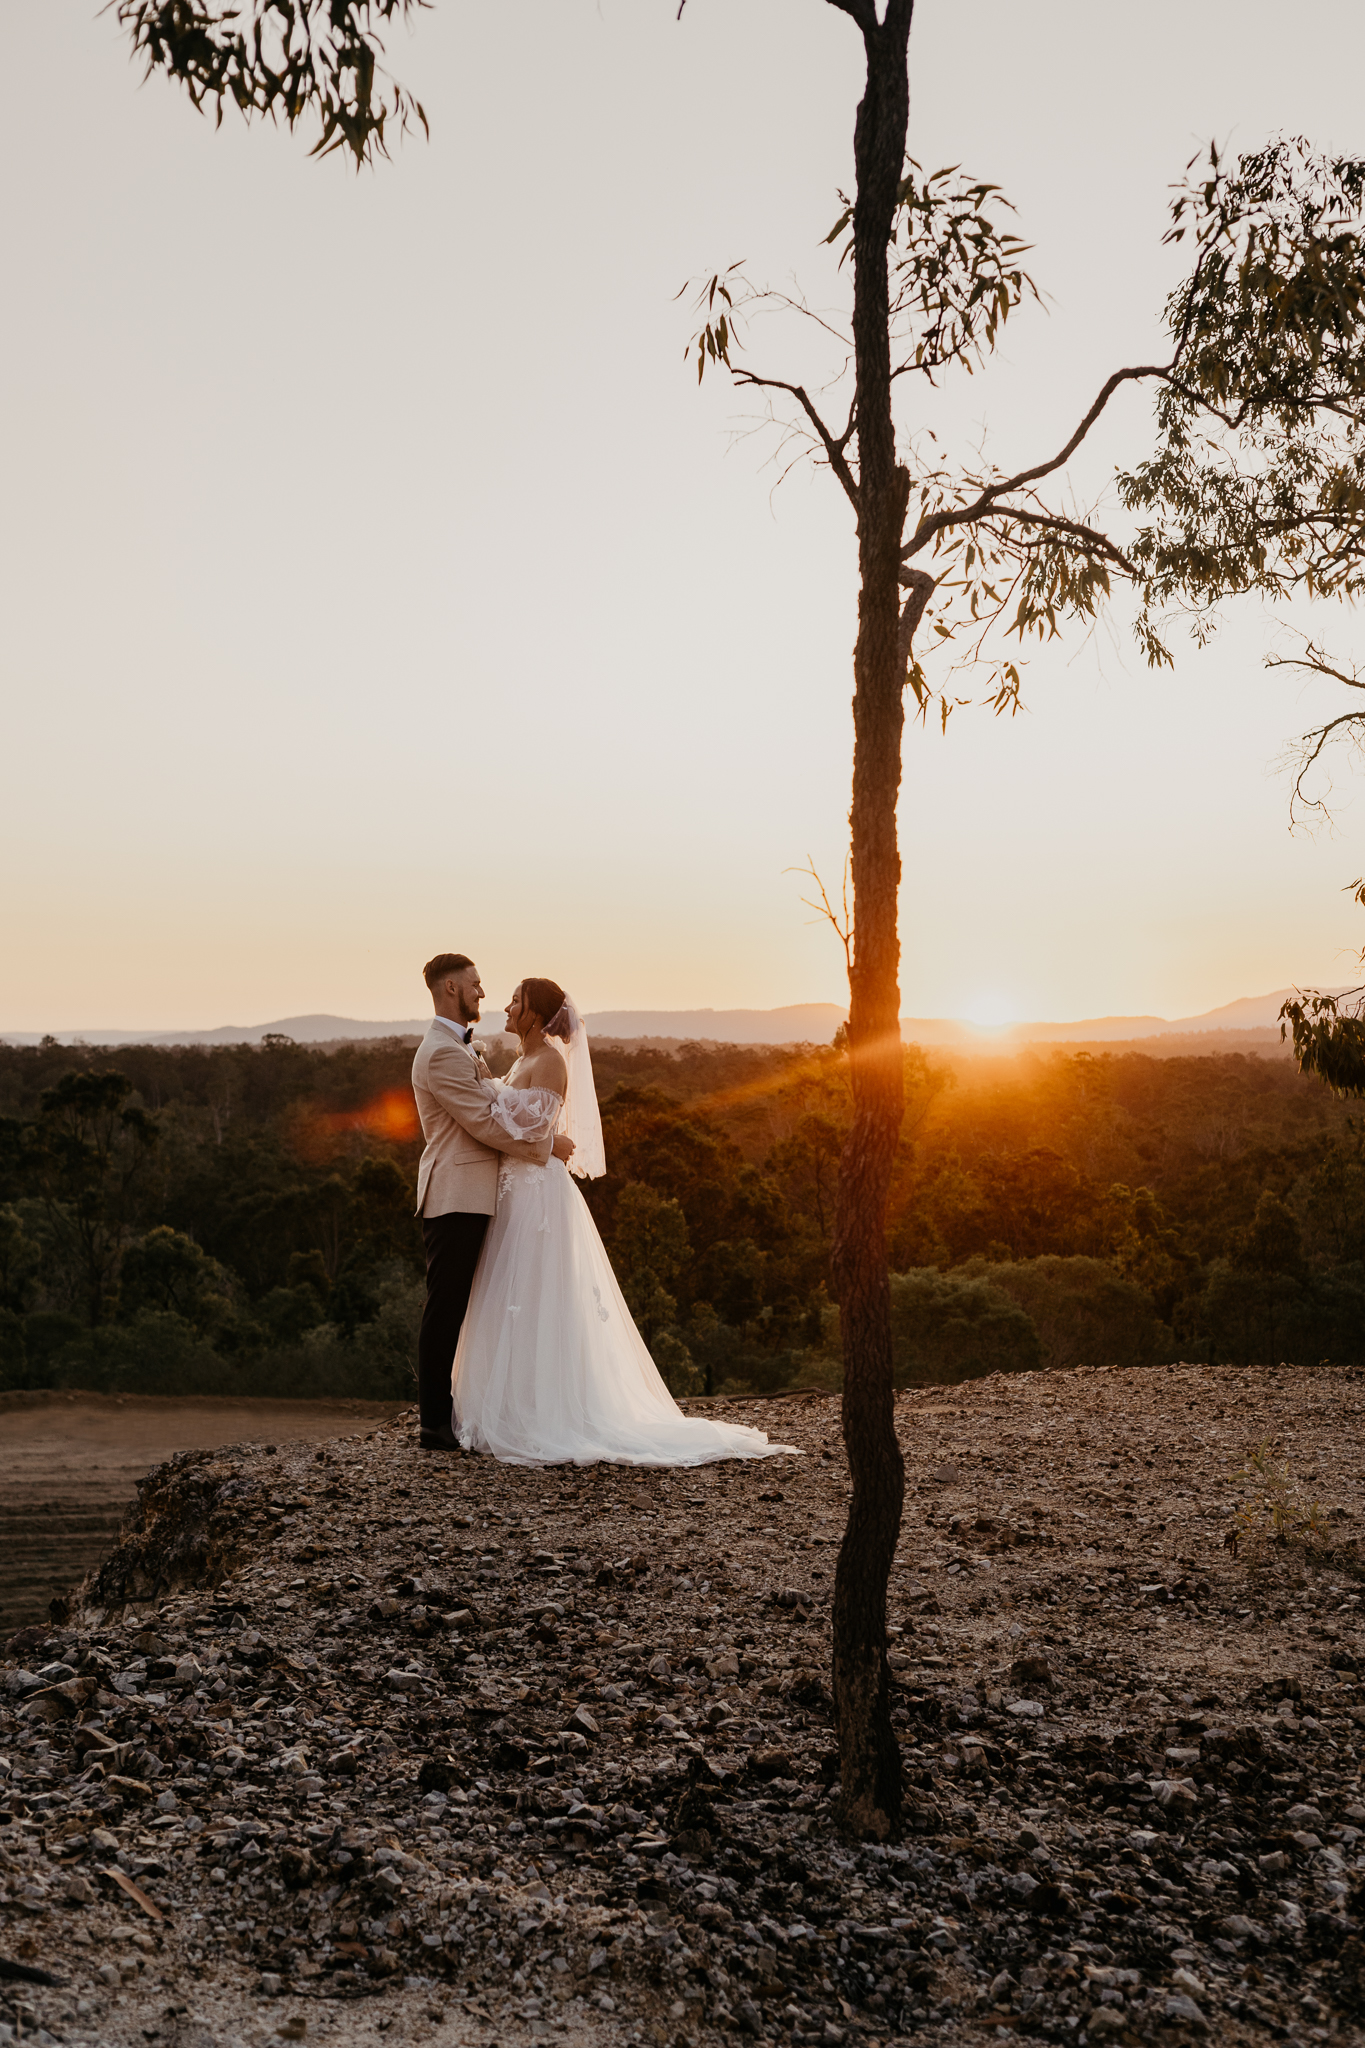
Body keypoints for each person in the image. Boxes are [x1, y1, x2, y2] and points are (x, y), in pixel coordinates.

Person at [450, 975, 798, 1468]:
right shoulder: (524, 1060)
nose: (505, 1007)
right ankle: (510, 1406)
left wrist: (491, 1098)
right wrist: (489, 1084)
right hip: (513, 1193)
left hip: (536, 1197)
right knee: (509, 1297)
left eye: (515, 1001)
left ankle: (540, 1414)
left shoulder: (549, 1062)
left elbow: (531, 1128)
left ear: (534, 1015)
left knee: (534, 1296)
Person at [411, 953, 576, 1454]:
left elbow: (494, 1105)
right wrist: (549, 1147)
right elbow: (483, 1122)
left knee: (478, 1305)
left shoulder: (462, 1048)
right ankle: (434, 1424)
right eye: (475, 985)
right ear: (449, 990)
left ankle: (473, 1411)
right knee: (447, 1308)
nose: (483, 994)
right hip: (457, 1193)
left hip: (485, 1193)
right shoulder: (440, 1052)